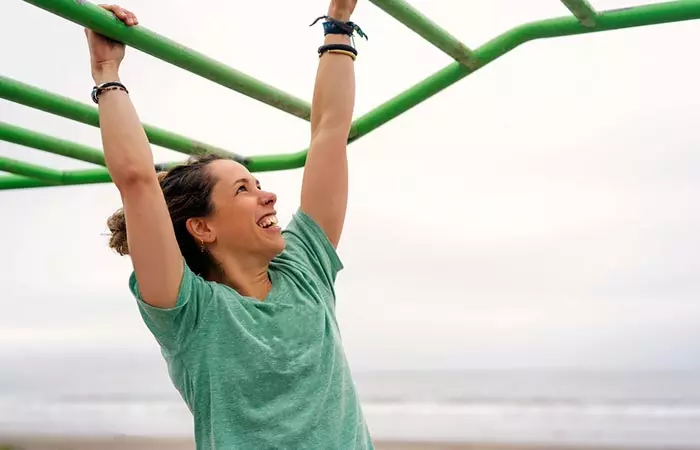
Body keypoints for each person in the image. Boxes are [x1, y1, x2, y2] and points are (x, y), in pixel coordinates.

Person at [85, 1, 371, 449]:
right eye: (243, 190)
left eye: (258, 184)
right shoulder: (191, 312)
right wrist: (106, 71)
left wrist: (338, 21)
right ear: (202, 228)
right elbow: (138, 182)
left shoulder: (304, 270)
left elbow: (329, 132)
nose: (269, 195)